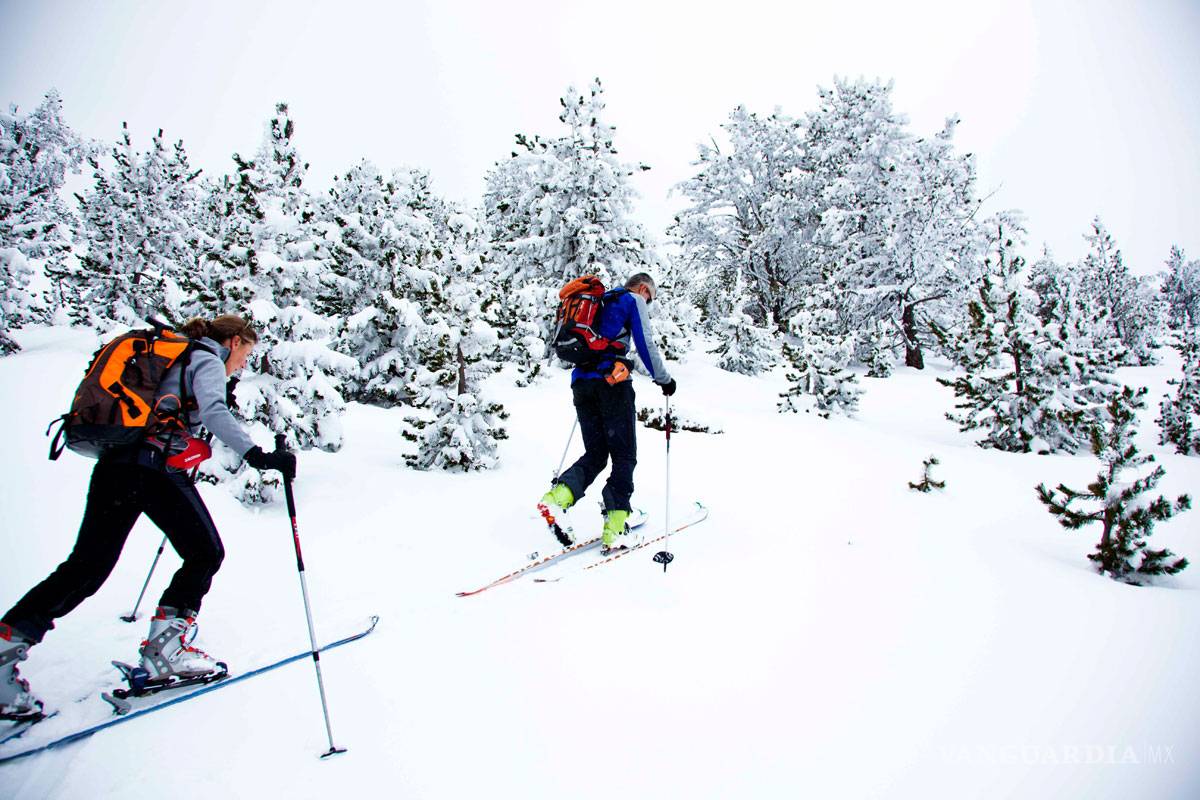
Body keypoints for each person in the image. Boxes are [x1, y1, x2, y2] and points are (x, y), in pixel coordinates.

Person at [0, 314, 295, 721]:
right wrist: (258, 456)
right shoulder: (205, 359)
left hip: (116, 466)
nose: (243, 363)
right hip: (152, 470)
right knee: (205, 553)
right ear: (232, 342)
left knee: (86, 567)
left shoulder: (178, 358)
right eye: (245, 353)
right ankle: (165, 653)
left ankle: (5, 652)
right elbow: (214, 412)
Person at [539, 272, 677, 552]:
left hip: (582, 384)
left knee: (596, 454)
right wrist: (664, 379)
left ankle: (556, 500)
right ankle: (615, 527)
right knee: (624, 456)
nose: (648, 302)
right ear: (643, 288)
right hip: (613, 384)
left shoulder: (599, 301)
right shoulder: (633, 299)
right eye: (650, 298)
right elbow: (645, 343)